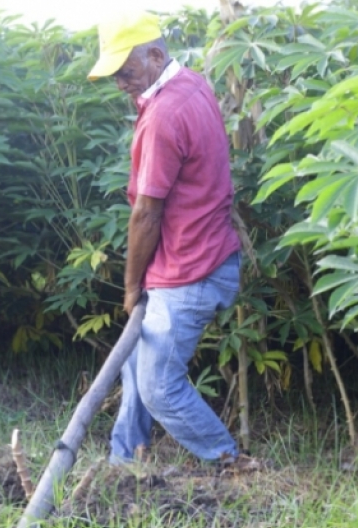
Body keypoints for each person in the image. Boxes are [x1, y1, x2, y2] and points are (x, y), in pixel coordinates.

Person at [87, 12, 254, 469]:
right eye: (115, 74)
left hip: (190, 269)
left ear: (156, 55)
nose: (121, 83)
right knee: (136, 360)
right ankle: (125, 460)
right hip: (203, 255)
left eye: (127, 71)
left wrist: (130, 285)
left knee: (159, 384)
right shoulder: (192, 84)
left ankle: (227, 460)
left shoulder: (164, 114)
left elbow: (146, 213)